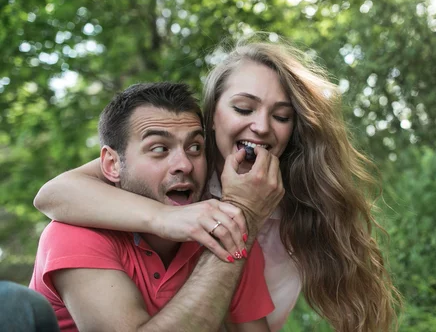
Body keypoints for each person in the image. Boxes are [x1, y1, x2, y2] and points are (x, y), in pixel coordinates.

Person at [34, 37, 401, 331]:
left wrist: (242, 218)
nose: (261, 126)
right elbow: (53, 194)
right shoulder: (174, 162)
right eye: (243, 108)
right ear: (211, 118)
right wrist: (168, 218)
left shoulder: (298, 203)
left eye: (282, 115)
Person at [29, 82, 284, 332]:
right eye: (159, 149)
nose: (184, 164)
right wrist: (239, 223)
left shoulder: (224, 225)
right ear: (112, 164)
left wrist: (238, 222)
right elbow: (48, 194)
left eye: (195, 147)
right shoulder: (74, 234)